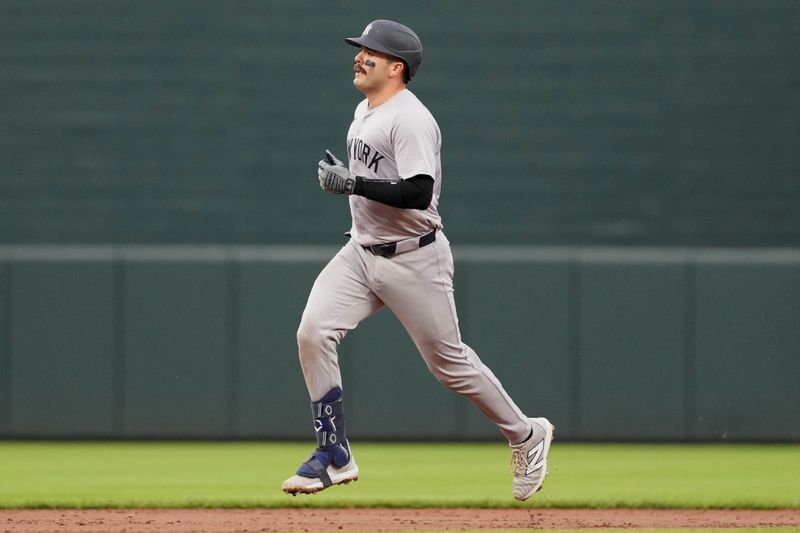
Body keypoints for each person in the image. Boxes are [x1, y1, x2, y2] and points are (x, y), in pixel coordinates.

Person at [281, 19, 553, 502]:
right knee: (312, 331)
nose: (359, 57)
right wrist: (351, 180)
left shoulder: (410, 118)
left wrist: (354, 183)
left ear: (396, 67)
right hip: (361, 252)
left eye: (371, 52)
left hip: (414, 259)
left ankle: (525, 434)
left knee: (449, 365)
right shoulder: (365, 110)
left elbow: (419, 191)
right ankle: (334, 453)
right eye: (360, 49)